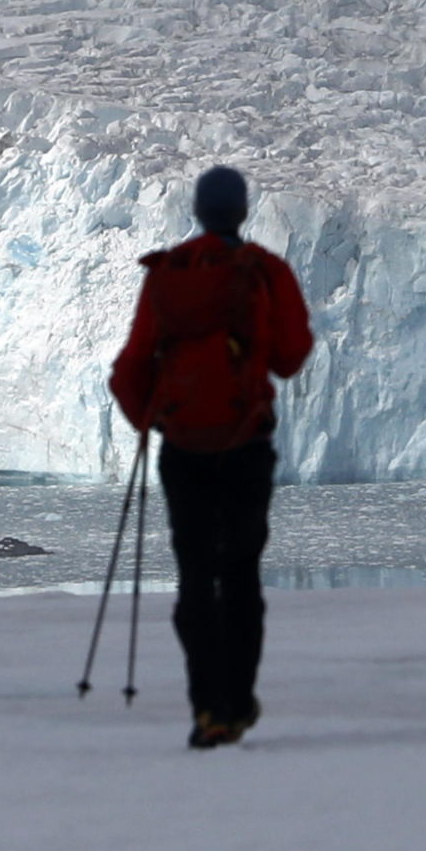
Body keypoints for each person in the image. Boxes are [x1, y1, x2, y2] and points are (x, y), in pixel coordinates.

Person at [110, 166, 313, 749]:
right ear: (242, 211)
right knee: (241, 575)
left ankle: (208, 708)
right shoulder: (265, 270)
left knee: (196, 578)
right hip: (246, 445)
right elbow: (291, 357)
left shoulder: (170, 273)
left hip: (184, 451)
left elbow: (130, 369)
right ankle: (238, 699)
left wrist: (154, 421)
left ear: (199, 211)